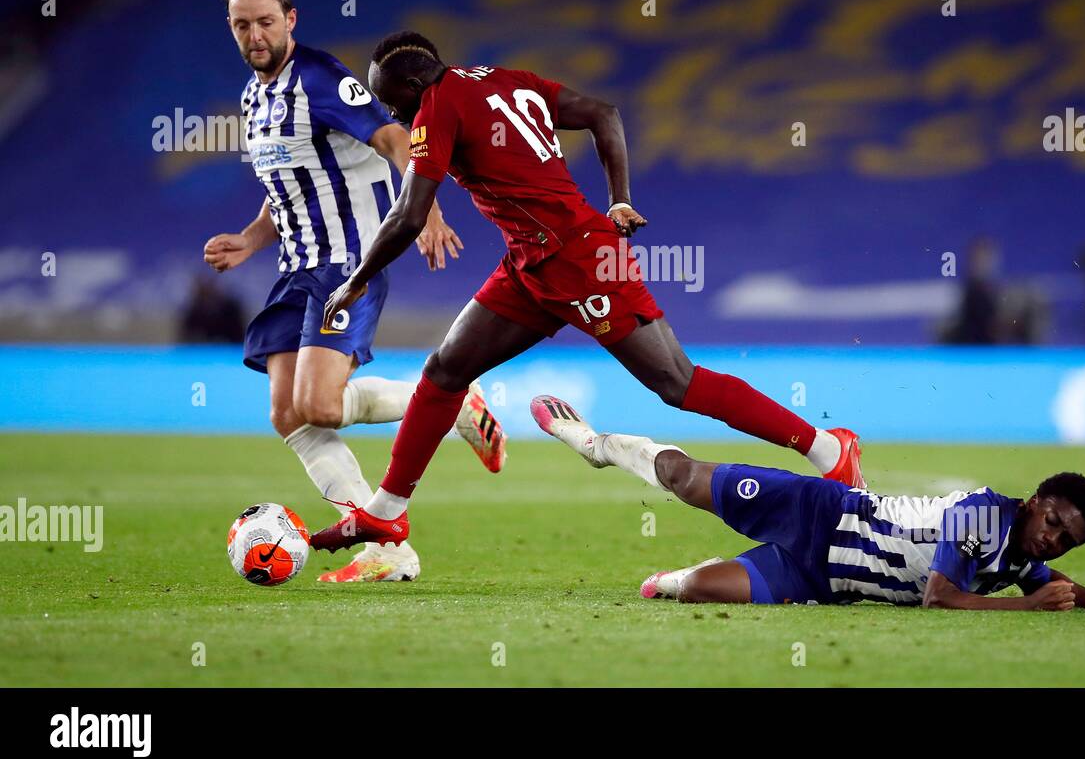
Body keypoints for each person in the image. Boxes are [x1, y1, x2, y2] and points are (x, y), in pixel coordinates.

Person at [308, 31, 862, 552]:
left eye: (391, 103)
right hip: (531, 263)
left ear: (410, 86)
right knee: (446, 370)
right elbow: (603, 113)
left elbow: (409, 212)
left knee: (677, 382)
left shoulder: (436, 107)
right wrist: (618, 196)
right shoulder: (507, 78)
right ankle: (386, 509)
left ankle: (828, 449)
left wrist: (356, 282)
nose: (394, 116)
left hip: (579, 259)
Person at [203, 0, 506, 582]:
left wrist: (424, 210)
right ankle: (387, 550)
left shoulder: (319, 76)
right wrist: (250, 240)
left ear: (290, 19)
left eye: (265, 22)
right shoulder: (255, 96)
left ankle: (455, 403)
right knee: (289, 416)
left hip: (347, 264)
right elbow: (293, 181)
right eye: (241, 25)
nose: (254, 35)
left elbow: (395, 138)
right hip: (294, 268)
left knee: (318, 402)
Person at [531, 394, 1085, 612]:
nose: (1054, 540)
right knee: (680, 477)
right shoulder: (984, 514)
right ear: (1036, 501)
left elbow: (1048, 578)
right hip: (819, 511)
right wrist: (1032, 608)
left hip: (821, 576)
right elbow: (940, 596)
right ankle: (596, 444)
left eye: (1066, 539)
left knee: (691, 590)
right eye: (1054, 522)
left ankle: (675, 578)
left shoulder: (1020, 554)